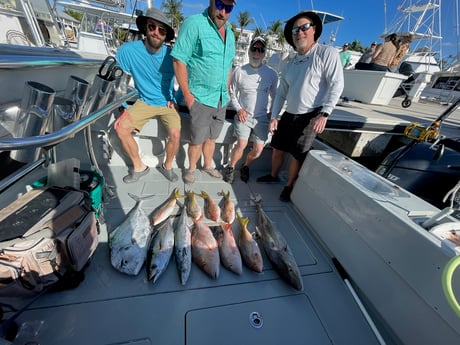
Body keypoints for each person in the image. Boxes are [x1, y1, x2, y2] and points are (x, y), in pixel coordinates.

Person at [256, 11, 344, 202]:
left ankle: (288, 187)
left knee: (297, 155)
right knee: (277, 148)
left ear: (314, 30)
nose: (299, 32)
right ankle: (273, 175)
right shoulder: (290, 62)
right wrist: (274, 116)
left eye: (304, 27)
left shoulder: (326, 53)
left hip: (311, 114)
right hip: (289, 113)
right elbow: (281, 92)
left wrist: (325, 113)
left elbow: (337, 84)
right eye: (295, 29)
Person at [171, 0, 236, 185]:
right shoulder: (194, 23)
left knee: (212, 137)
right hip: (200, 97)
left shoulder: (230, 33)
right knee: (197, 139)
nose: (223, 11)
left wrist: (228, 90)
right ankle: (191, 169)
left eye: (229, 8)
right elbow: (178, 60)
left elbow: (229, 65)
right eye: (220, 5)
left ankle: (207, 165)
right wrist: (189, 96)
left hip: (221, 98)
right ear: (211, 2)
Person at [114, 7, 181, 183]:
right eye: (152, 27)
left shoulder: (172, 55)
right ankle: (138, 167)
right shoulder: (128, 51)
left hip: (167, 103)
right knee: (120, 128)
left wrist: (177, 100)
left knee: (175, 134)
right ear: (145, 28)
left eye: (161, 30)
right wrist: (122, 107)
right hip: (143, 102)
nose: (156, 33)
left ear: (166, 35)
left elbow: (186, 78)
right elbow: (118, 82)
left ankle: (167, 166)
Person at [222, 36, 278, 184]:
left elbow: (276, 96)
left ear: (264, 53)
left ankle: (246, 166)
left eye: (260, 50)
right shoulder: (239, 71)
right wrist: (239, 109)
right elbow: (232, 93)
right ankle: (231, 168)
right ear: (249, 50)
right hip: (243, 116)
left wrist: (273, 114)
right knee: (241, 144)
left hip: (262, 118)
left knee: (258, 150)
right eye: (254, 49)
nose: (256, 53)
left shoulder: (271, 74)